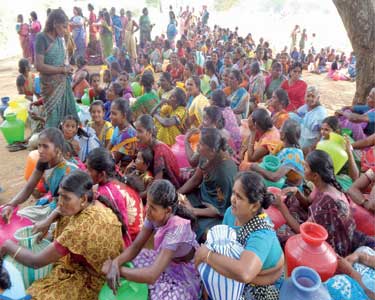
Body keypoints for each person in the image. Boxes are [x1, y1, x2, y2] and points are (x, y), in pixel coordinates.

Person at [0, 170, 124, 299]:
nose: (60, 202)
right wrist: (48, 220)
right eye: (60, 196)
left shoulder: (79, 228)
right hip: (97, 266)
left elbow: (35, 262)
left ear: (83, 199)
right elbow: (61, 209)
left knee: (38, 295)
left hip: (94, 280)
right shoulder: (96, 203)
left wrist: (8, 245)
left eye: (66, 198)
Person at [102, 180, 200, 299]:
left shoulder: (178, 229)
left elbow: (152, 275)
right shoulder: (154, 215)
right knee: (132, 260)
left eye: (152, 207)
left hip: (183, 272)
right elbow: (136, 246)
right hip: (165, 259)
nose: (147, 210)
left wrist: (118, 270)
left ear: (168, 210)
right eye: (147, 203)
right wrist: (115, 263)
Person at [194, 171, 284, 299]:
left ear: (254, 206)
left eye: (239, 197)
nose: (232, 199)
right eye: (233, 193)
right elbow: (221, 241)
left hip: (265, 279)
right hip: (250, 270)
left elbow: (245, 273)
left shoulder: (262, 233)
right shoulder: (231, 213)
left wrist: (207, 256)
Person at [275, 150, 375, 255]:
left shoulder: (326, 202)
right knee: (292, 199)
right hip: (323, 225)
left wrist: (281, 207)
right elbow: (308, 203)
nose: (303, 169)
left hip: (333, 246)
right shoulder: (323, 184)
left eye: (306, 167)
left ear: (315, 176)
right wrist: (297, 193)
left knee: (281, 235)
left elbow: (303, 231)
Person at [1, 128, 77, 225]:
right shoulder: (43, 162)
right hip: (53, 206)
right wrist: (11, 204)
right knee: (18, 216)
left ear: (57, 149)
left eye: (45, 146)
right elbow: (29, 187)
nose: (40, 150)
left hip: (65, 212)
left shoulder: (69, 171)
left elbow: (68, 206)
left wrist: (46, 222)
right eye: (39, 145)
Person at [178, 128, 238, 240]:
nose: (197, 146)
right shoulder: (205, 156)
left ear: (212, 150)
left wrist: (193, 211)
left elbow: (219, 210)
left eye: (201, 144)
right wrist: (177, 193)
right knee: (177, 205)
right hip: (203, 197)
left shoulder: (224, 174)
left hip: (217, 210)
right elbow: (196, 179)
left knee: (205, 232)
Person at [35, 8, 78, 128]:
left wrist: (67, 68)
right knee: (53, 117)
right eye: (63, 27)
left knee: (68, 117)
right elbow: (39, 65)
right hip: (50, 87)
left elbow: (62, 62)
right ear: (54, 23)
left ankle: (65, 142)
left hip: (63, 84)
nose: (65, 31)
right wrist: (62, 70)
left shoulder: (60, 40)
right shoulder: (41, 38)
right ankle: (51, 142)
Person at [86, 148, 132, 246]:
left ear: (102, 174)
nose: (86, 172)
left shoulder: (105, 194)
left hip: (118, 244)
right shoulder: (111, 183)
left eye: (89, 170)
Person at [250, 119, 305, 188]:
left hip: (290, 188)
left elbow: (275, 177)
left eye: (280, 128)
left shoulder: (293, 156)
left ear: (284, 134)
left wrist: (257, 168)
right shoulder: (282, 145)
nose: (279, 130)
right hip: (281, 180)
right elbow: (271, 159)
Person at [135, 114, 181, 188]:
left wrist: (140, 196)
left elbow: (157, 182)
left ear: (149, 132)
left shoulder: (160, 149)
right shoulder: (142, 144)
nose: (136, 135)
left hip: (168, 185)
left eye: (140, 131)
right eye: (136, 130)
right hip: (150, 178)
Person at [290, 85, 327, 152]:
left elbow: (322, 134)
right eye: (308, 96)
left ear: (318, 98)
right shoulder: (306, 107)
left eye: (313, 96)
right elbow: (296, 114)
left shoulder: (321, 113)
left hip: (311, 145)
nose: (310, 99)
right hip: (301, 140)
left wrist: (311, 149)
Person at [108, 98, 138, 168]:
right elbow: (108, 148)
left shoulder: (128, 135)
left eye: (114, 114)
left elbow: (113, 160)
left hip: (125, 170)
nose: (110, 116)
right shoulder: (117, 128)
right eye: (111, 113)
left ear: (124, 116)